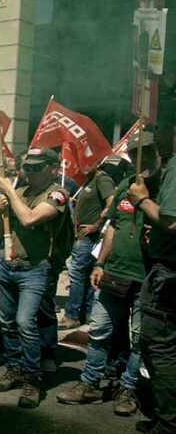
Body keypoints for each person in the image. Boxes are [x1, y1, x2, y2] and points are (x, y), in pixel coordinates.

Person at [56, 152, 146, 416]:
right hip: (114, 272)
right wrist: (100, 263)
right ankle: (90, 383)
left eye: (151, 154)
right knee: (99, 330)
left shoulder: (165, 187)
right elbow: (113, 226)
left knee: (140, 338)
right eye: (143, 154)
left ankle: (129, 389)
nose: (147, 160)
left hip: (147, 277)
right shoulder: (124, 186)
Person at [0, 148, 70, 409]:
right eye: (28, 167)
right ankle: (13, 367)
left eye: (37, 168)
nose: (30, 172)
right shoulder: (21, 192)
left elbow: (30, 218)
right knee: (7, 321)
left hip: (35, 268)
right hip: (8, 264)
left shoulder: (57, 194)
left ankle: (32, 378)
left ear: (53, 169)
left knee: (26, 322)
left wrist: (10, 193)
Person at [122, 137, 176, 434]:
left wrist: (142, 200)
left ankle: (169, 427)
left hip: (169, 273)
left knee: (161, 348)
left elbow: (171, 222)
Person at [61, 161, 116, 329]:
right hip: (83, 235)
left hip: (89, 237)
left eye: (89, 161)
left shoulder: (102, 179)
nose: (84, 165)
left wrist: (97, 225)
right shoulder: (89, 180)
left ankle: (72, 314)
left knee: (77, 273)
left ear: (99, 162)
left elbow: (112, 204)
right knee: (86, 275)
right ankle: (87, 312)